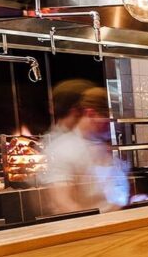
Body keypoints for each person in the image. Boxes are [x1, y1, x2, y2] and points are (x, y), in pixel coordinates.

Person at [42, 80, 129, 214]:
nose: (113, 125)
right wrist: (96, 225)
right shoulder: (62, 149)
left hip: (114, 224)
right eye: (107, 118)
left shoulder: (102, 147)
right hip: (88, 228)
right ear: (91, 114)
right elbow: (63, 202)